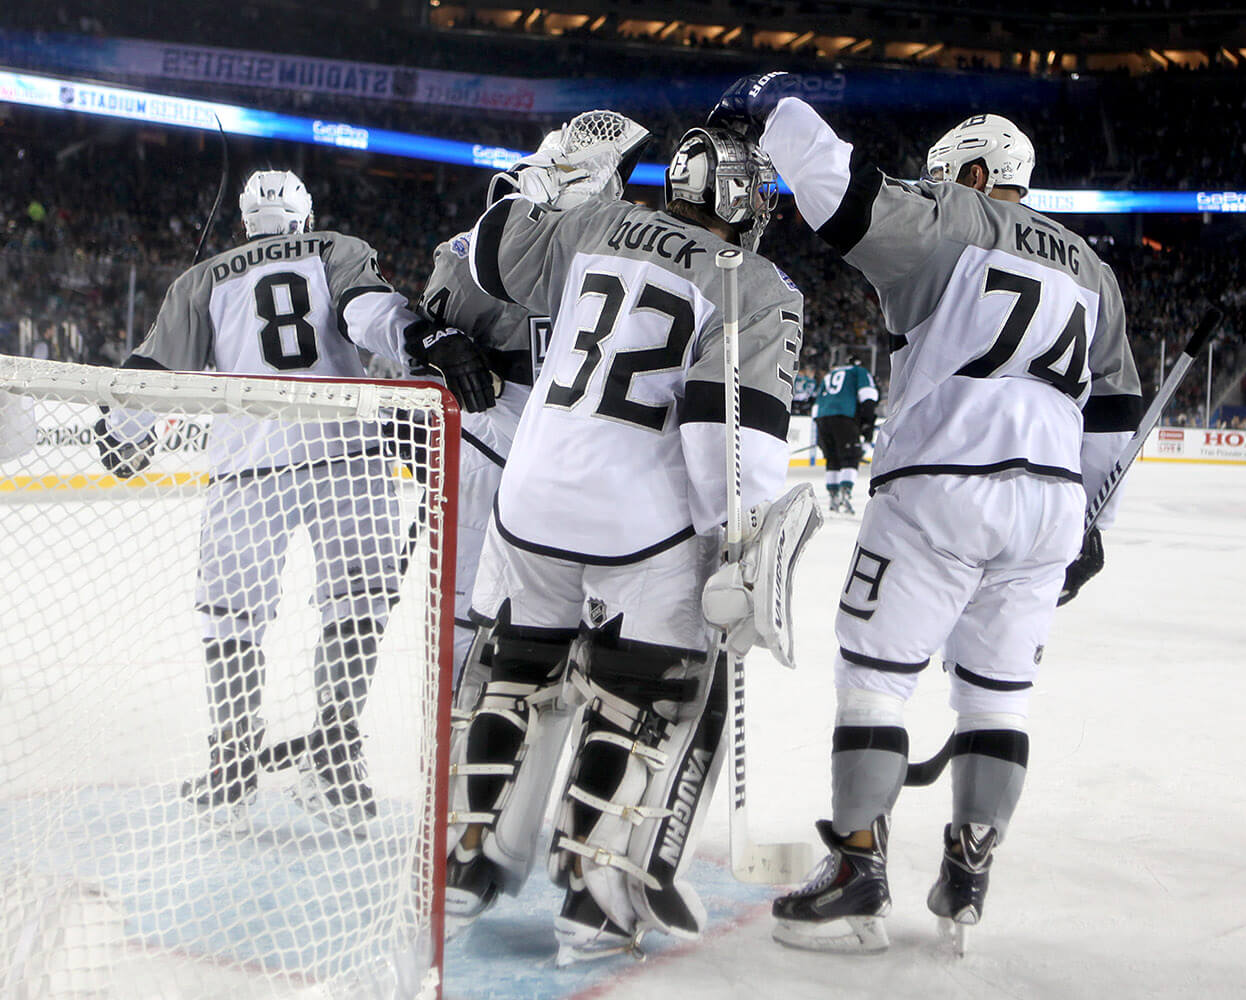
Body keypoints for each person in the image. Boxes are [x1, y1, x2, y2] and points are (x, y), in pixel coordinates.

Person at [709, 74, 1143, 953]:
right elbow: (1115, 418)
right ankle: (969, 872)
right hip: (1051, 506)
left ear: (978, 174)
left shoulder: (955, 217)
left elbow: (839, 191)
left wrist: (775, 106)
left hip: (942, 484)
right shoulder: (1094, 268)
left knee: (875, 678)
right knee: (998, 696)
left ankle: (858, 869)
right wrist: (1091, 526)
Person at [443, 125, 808, 964]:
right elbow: (729, 435)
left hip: (530, 496)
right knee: (641, 706)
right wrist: (738, 545)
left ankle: (467, 869)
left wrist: (548, 168)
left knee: (511, 683)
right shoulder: (756, 282)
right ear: (738, 201)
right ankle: (596, 902)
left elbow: (491, 261)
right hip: (638, 521)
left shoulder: (596, 223)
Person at [94, 169, 495, 834]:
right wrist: (421, 341)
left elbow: (153, 372)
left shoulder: (204, 278)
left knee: (232, 617)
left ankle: (231, 767)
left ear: (246, 220)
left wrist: (122, 436)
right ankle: (335, 760)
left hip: (247, 468)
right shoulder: (334, 247)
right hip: (348, 456)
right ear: (302, 214)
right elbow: (368, 312)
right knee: (356, 607)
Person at [418, 110, 651, 679]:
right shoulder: (484, 248)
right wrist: (439, 342)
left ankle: (502, 745)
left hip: (572, 439)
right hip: (505, 432)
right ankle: (458, 746)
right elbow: (429, 336)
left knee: (558, 615)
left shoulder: (611, 246)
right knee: (473, 609)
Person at [813, 347, 878, 513]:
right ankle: (845, 493)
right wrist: (868, 423)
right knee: (850, 457)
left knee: (832, 458)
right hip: (843, 416)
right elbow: (868, 395)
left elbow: (817, 402)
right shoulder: (859, 371)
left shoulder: (830, 374)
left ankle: (833, 496)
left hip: (822, 417)